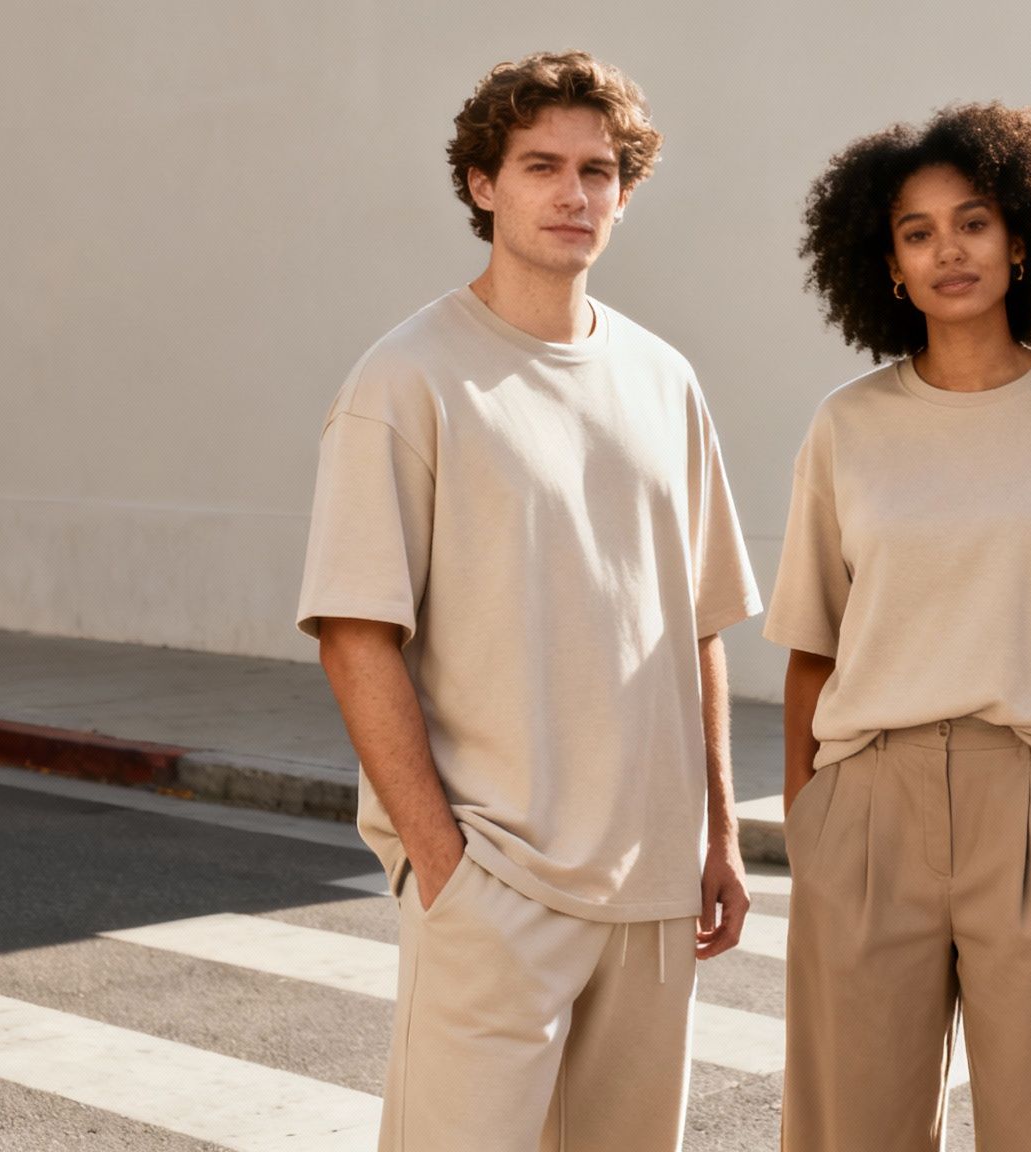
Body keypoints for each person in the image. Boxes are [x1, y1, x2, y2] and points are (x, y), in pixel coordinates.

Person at [294, 51, 761, 1152]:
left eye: (598, 171)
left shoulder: (664, 378)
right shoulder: (406, 378)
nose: (573, 194)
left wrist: (719, 836)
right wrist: (441, 869)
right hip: (498, 885)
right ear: (480, 184)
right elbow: (356, 638)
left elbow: (692, 622)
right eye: (541, 165)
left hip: (651, 898)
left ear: (624, 192)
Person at [766, 101, 1031, 1151]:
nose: (948, 249)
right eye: (916, 230)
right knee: (850, 1127)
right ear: (887, 265)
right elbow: (813, 642)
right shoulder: (847, 424)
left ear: (1024, 238)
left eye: (973, 220)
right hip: (866, 805)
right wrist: (810, 818)